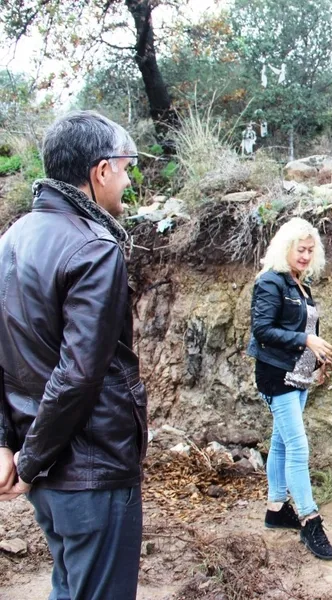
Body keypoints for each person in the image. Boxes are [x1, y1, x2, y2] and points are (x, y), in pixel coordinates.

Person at [0, 110, 147, 599]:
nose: (127, 181)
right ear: (100, 170)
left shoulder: (10, 241)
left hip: (45, 469)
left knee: (69, 588)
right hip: (89, 469)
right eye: (125, 169)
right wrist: (31, 459)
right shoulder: (94, 247)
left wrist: (12, 447)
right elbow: (80, 374)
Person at [247, 217, 332, 560]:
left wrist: (317, 363)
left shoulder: (300, 285)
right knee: (298, 447)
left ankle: (275, 509)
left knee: (282, 444)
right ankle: (309, 519)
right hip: (276, 376)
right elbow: (262, 331)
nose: (305, 255)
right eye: (300, 249)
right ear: (285, 247)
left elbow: (304, 334)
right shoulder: (270, 283)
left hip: (298, 376)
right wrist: (306, 339)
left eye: (310, 250)